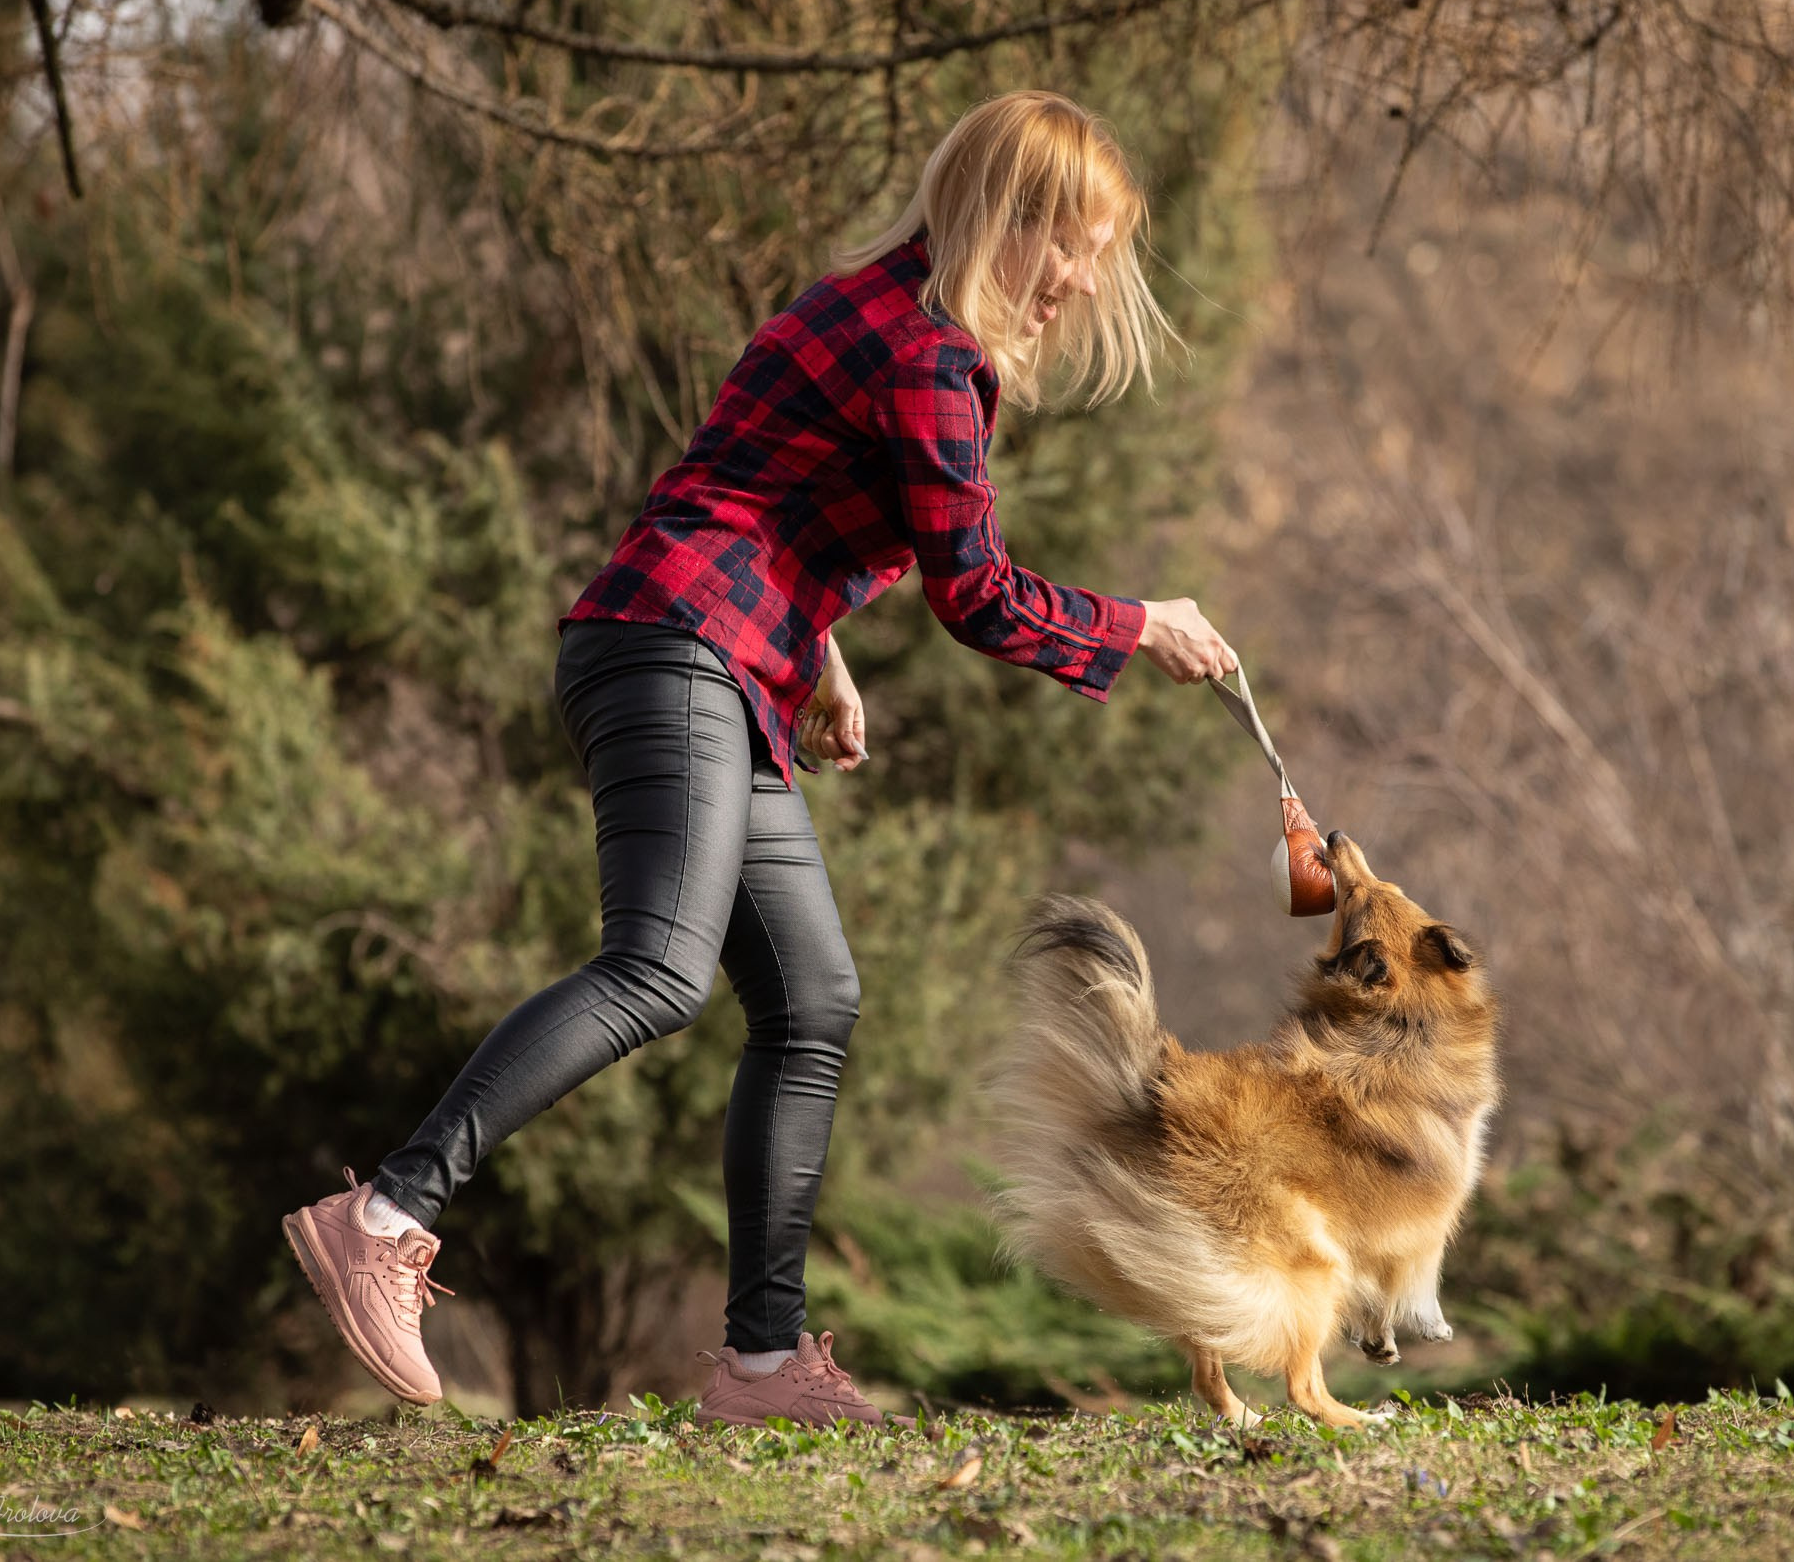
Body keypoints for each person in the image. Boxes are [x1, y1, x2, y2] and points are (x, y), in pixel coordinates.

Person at [280, 89, 1240, 1427]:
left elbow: (744, 492)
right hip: (678, 654)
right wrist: (1142, 623)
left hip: (715, 655)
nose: (1078, 283)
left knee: (811, 1000)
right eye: (1065, 241)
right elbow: (982, 597)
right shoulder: (927, 354)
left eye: (1095, 253)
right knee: (658, 969)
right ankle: (385, 1213)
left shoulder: (857, 307)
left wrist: (820, 649)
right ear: (997, 215)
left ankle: (763, 1363)